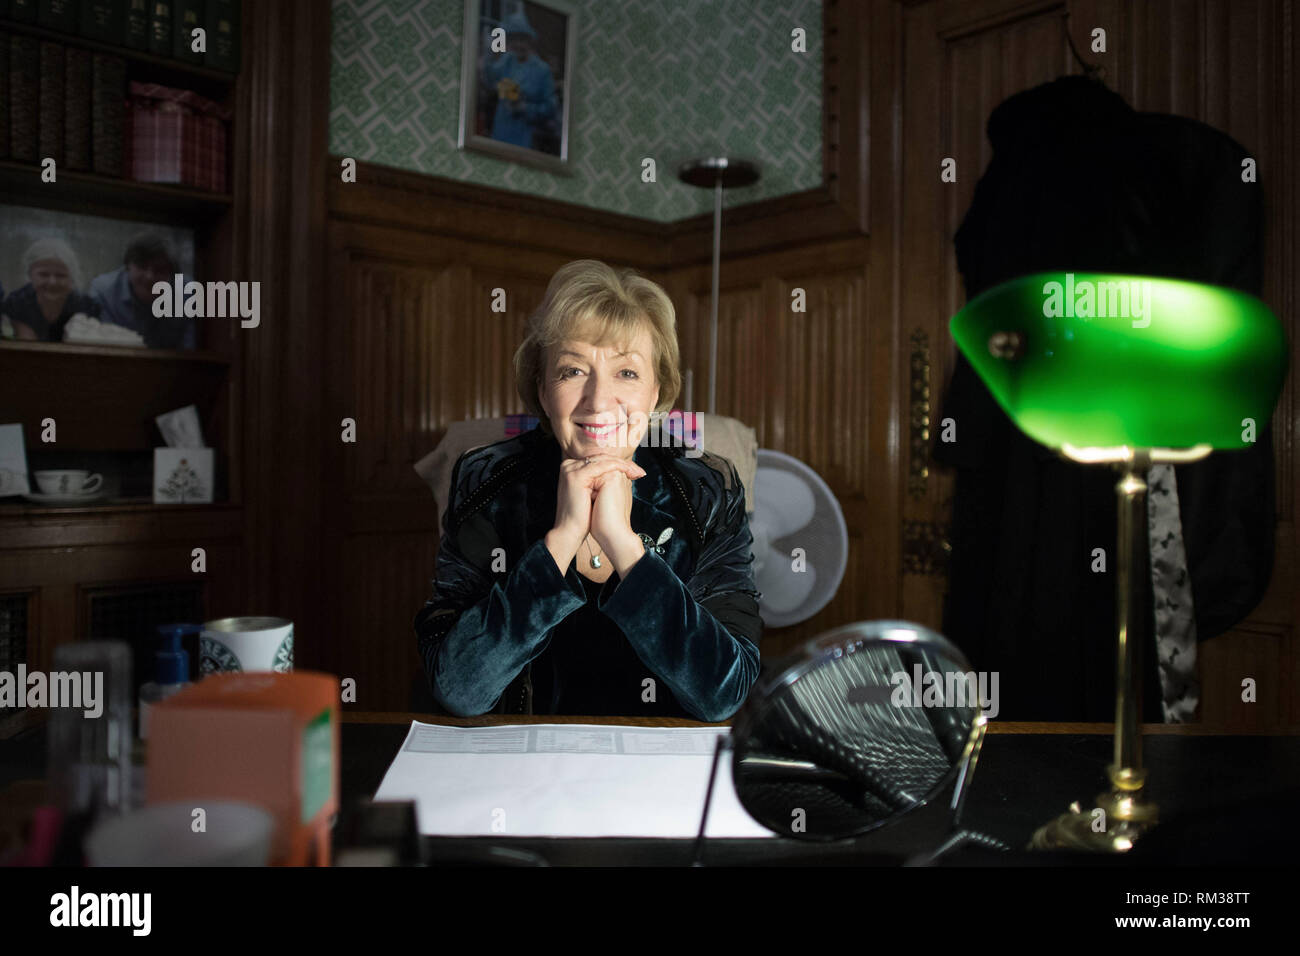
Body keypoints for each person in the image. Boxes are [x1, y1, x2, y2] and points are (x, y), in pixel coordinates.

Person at [414, 260, 762, 720]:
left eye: (627, 373)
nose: (598, 401)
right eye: (572, 371)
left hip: (661, 770)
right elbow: (458, 688)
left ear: (657, 391)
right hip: (519, 766)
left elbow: (723, 693)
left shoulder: (708, 490)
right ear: (541, 390)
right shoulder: (487, 481)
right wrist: (562, 537)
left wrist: (623, 543)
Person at [89, 234, 197, 350]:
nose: (149, 277)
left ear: (172, 274)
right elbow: (101, 348)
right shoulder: (103, 292)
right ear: (127, 266)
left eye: (159, 270)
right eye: (142, 266)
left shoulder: (189, 293)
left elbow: (190, 350)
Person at [481, 10, 558, 151]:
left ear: (530, 41)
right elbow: (490, 81)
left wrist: (525, 108)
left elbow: (551, 108)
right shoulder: (507, 60)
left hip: (525, 135)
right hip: (501, 131)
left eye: (522, 40)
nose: (517, 45)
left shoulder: (542, 70)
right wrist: (489, 53)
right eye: (513, 40)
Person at [1, 238, 99, 341]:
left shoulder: (86, 306)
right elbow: (26, 344)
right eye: (44, 274)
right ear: (30, 275)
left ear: (72, 278)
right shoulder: (17, 302)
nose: (52, 282)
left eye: (61, 275)